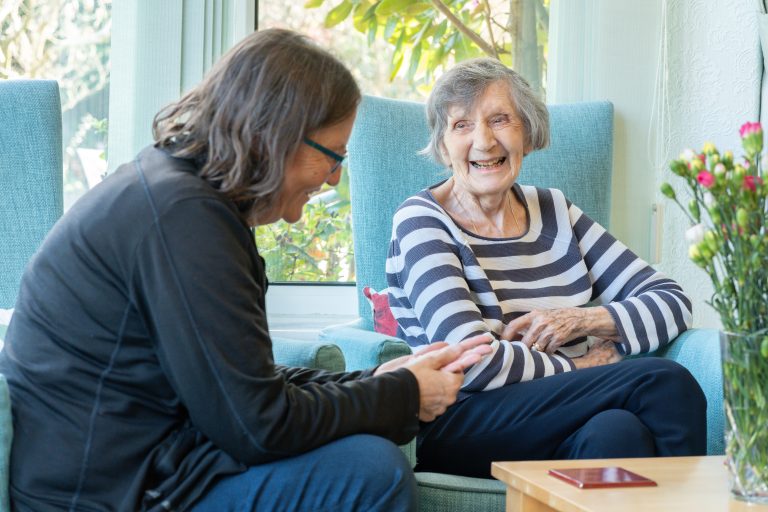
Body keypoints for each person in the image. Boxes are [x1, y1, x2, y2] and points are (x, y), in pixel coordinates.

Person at [0, 29, 494, 512]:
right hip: (104, 492)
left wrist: (375, 379)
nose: (336, 177)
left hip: (145, 465)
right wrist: (402, 394)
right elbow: (259, 425)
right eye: (333, 156)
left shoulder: (183, 195)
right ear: (274, 136)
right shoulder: (185, 220)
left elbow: (239, 384)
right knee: (368, 472)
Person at [385, 57, 707, 478]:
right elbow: (472, 362)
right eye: (461, 125)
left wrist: (583, 319)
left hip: (560, 412)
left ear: (529, 133)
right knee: (663, 382)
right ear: (444, 147)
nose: (483, 142)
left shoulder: (555, 211)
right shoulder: (422, 220)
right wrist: (578, 367)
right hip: (462, 419)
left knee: (617, 432)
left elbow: (673, 302)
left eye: (500, 119)